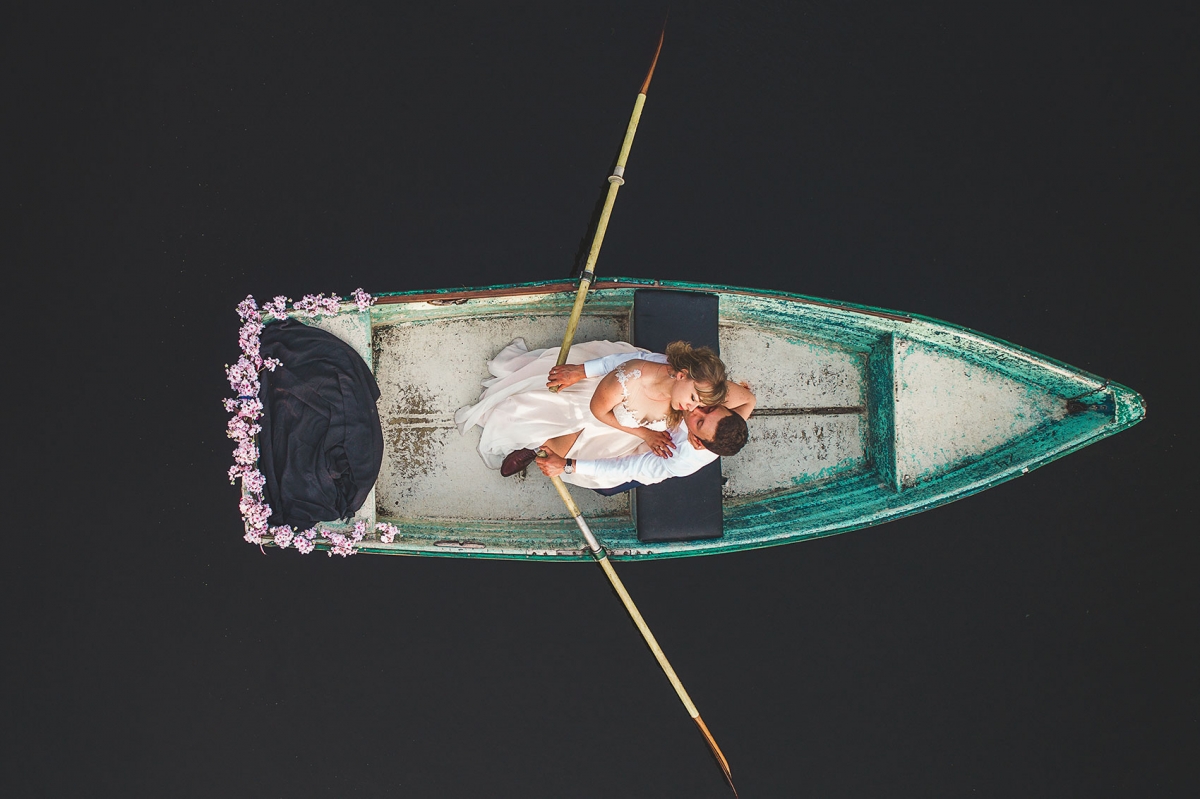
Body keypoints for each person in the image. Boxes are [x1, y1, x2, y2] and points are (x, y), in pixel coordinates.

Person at [453, 339, 731, 482]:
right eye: (693, 399)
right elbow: (598, 410)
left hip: (622, 432)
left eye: (700, 406)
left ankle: (540, 449)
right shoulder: (636, 374)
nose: (693, 409)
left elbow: (744, 400)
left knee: (579, 453)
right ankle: (534, 445)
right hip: (597, 407)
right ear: (681, 375)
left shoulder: (690, 404)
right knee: (547, 419)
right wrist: (646, 434)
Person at [539, 357, 754, 491]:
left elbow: (626, 468)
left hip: (641, 451)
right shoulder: (702, 391)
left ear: (697, 441)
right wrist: (583, 370)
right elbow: (749, 400)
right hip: (637, 411)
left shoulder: (682, 459)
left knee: (551, 447)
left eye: (699, 421)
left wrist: (568, 465)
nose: (695, 409)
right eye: (708, 407)